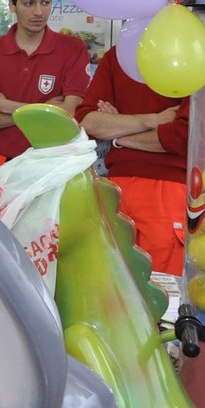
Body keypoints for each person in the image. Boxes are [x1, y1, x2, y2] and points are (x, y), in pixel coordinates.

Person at [75, 47, 190, 275]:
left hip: (165, 191)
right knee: (116, 287)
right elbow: (88, 122)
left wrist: (117, 133)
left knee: (160, 288)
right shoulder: (119, 56)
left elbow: (181, 136)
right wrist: (154, 120)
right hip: (116, 189)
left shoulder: (192, 53)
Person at [0, 0, 92, 168]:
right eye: (28, 3)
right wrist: (47, 110)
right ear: (12, 5)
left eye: (45, 2)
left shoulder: (73, 48)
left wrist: (7, 106)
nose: (38, 12)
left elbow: (70, 113)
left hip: (53, 168)